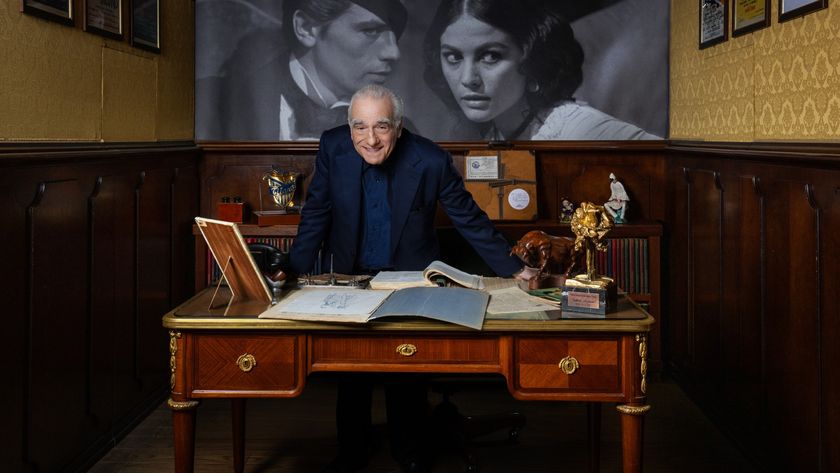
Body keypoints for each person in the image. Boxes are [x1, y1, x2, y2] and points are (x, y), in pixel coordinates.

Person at [284, 84, 537, 473]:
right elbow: (316, 211)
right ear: (349, 127)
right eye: (360, 126)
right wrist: (291, 270)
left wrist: (515, 267)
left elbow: (469, 219)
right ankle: (352, 451)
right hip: (350, 276)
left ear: (398, 127)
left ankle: (411, 452)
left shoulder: (431, 160)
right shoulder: (333, 147)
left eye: (382, 127)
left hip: (410, 277)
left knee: (405, 370)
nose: (370, 139)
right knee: (350, 373)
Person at [423, 0, 660, 141]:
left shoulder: (581, 129)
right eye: (453, 57)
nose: (468, 79)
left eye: (491, 56)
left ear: (531, 59)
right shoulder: (484, 133)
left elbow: (670, 165)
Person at [198, 0, 407, 140]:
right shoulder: (210, 105)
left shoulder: (402, 132)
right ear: (305, 28)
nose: (393, 52)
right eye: (370, 30)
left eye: (394, 36)